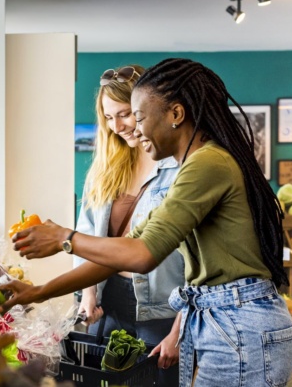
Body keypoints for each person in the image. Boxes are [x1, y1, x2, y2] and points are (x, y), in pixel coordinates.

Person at [0, 58, 292, 387]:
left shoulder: (207, 164)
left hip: (240, 324)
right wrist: (39, 292)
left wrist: (64, 238)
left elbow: (143, 256)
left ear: (176, 114)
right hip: (226, 322)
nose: (134, 130)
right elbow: (125, 251)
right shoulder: (196, 166)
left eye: (137, 116)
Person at [75, 65, 184, 386]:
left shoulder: (181, 169)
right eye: (108, 118)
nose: (116, 126)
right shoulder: (106, 168)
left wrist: (179, 331)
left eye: (123, 114)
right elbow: (87, 235)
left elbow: (199, 262)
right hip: (110, 299)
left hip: (162, 308)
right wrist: (88, 294)